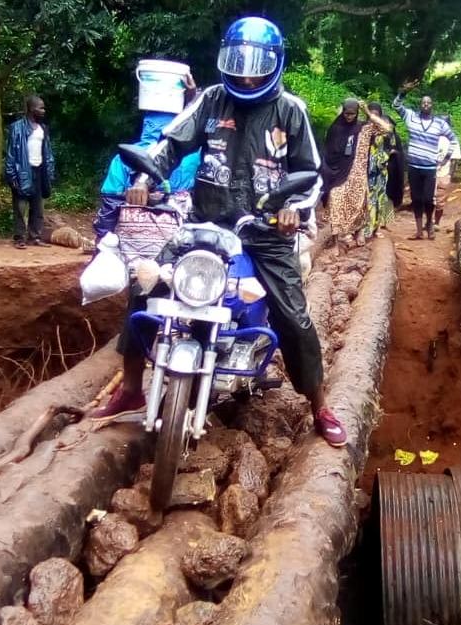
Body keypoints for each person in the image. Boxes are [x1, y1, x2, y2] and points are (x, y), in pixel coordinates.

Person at [93, 16, 347, 447]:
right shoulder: (212, 100)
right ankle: (134, 386)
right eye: (237, 62)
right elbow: (169, 145)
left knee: (294, 317)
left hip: (265, 232)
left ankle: (319, 404)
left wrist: (292, 208)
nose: (246, 74)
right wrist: (144, 181)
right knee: (146, 283)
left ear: (275, 63)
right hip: (205, 224)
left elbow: (310, 173)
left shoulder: (290, 109)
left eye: (256, 65)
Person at [92, 74, 202, 243]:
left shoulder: (123, 157)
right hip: (176, 247)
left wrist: (102, 243)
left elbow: (109, 209)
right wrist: (192, 101)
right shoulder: (193, 155)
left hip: (132, 246)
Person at [320, 98, 391, 245]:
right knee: (335, 200)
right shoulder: (336, 128)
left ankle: (359, 232)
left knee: (360, 203)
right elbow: (328, 152)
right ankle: (335, 239)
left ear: (357, 113)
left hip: (358, 172)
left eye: (352, 114)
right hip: (338, 174)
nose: (349, 117)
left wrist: (368, 113)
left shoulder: (364, 129)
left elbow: (386, 129)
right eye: (346, 114)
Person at [393, 87, 458, 240]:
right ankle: (418, 230)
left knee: (429, 199)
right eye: (423, 103)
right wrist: (402, 92)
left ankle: (429, 224)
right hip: (414, 166)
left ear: (432, 106)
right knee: (416, 199)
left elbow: (453, 140)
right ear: (420, 105)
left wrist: (446, 158)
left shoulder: (440, 124)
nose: (426, 105)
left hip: (429, 167)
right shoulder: (411, 118)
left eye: (429, 103)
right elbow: (396, 106)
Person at [5, 96, 56, 249]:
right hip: (22, 171)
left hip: (39, 170)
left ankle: (35, 237)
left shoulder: (43, 128)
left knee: (38, 206)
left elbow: (47, 151)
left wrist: (50, 170)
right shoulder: (17, 127)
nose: (43, 111)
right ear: (31, 109)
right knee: (20, 207)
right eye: (41, 108)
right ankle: (20, 238)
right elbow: (11, 153)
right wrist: (11, 174)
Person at [362, 102, 396, 239]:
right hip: (365, 169)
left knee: (379, 198)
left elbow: (391, 143)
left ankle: (376, 228)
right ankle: (366, 229)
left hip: (380, 169)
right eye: (370, 114)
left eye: (376, 115)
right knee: (367, 199)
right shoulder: (363, 129)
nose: (372, 118)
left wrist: (384, 158)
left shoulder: (384, 130)